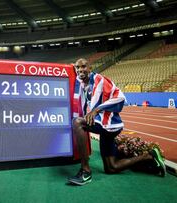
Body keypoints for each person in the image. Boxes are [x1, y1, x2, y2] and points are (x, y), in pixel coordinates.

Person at [67, 58, 166, 186]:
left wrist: (97, 110)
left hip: (110, 124)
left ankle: (85, 171)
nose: (80, 70)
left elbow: (121, 97)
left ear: (90, 68)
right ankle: (149, 156)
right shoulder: (83, 84)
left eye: (84, 67)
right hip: (104, 127)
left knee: (77, 123)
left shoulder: (99, 80)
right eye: (78, 67)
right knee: (111, 168)